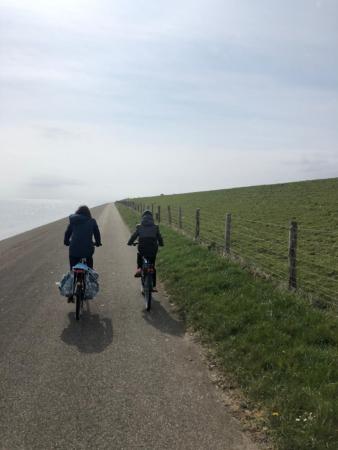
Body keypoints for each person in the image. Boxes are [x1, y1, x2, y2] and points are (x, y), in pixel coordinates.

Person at [64, 205, 102, 301]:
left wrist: (66, 241)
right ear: (88, 213)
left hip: (74, 250)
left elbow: (67, 233)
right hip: (87, 250)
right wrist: (98, 242)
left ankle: (70, 295)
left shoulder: (73, 221)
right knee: (89, 270)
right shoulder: (92, 221)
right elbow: (97, 233)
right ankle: (89, 289)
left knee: (72, 271)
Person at [127, 210, 163, 290]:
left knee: (140, 255)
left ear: (142, 218)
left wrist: (129, 243)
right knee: (152, 266)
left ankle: (139, 268)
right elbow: (159, 237)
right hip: (153, 249)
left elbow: (134, 236)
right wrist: (161, 244)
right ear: (152, 218)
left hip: (142, 248)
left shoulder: (139, 227)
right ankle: (153, 285)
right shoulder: (156, 227)